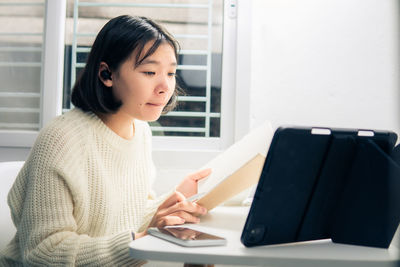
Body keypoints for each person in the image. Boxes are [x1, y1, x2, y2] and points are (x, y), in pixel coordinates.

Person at [0, 15, 211, 266]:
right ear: (106, 74)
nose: (165, 86)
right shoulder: (61, 140)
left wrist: (175, 197)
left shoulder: (141, 131)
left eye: (171, 73)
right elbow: (43, 254)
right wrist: (142, 242)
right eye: (150, 72)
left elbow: (124, 218)